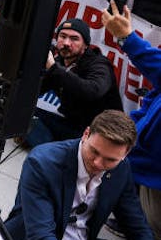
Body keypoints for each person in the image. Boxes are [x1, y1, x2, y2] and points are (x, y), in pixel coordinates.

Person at [2, 110, 157, 240]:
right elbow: (41, 236)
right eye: (94, 151)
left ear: (126, 153)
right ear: (86, 134)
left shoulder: (121, 169)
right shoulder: (42, 163)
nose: (98, 163)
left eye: (110, 160)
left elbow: (137, 228)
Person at [103, 1, 161, 240]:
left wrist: (128, 38)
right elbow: (153, 99)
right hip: (145, 160)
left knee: (154, 234)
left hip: (155, 170)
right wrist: (129, 130)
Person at [25, 18, 123, 148]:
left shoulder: (99, 64)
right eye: (62, 36)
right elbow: (34, 90)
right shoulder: (59, 62)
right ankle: (52, 148)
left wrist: (53, 69)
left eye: (74, 39)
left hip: (99, 135)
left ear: (86, 44)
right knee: (23, 113)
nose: (66, 43)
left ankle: (55, 151)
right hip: (72, 125)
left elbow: (92, 91)